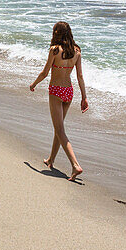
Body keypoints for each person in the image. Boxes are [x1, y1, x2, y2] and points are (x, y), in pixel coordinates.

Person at [29, 21, 88, 181]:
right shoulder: (77, 51)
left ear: (56, 33)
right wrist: (84, 97)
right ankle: (51, 159)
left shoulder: (55, 51)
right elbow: (80, 76)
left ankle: (75, 165)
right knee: (59, 127)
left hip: (56, 91)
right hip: (69, 92)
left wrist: (34, 84)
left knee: (60, 130)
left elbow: (45, 72)